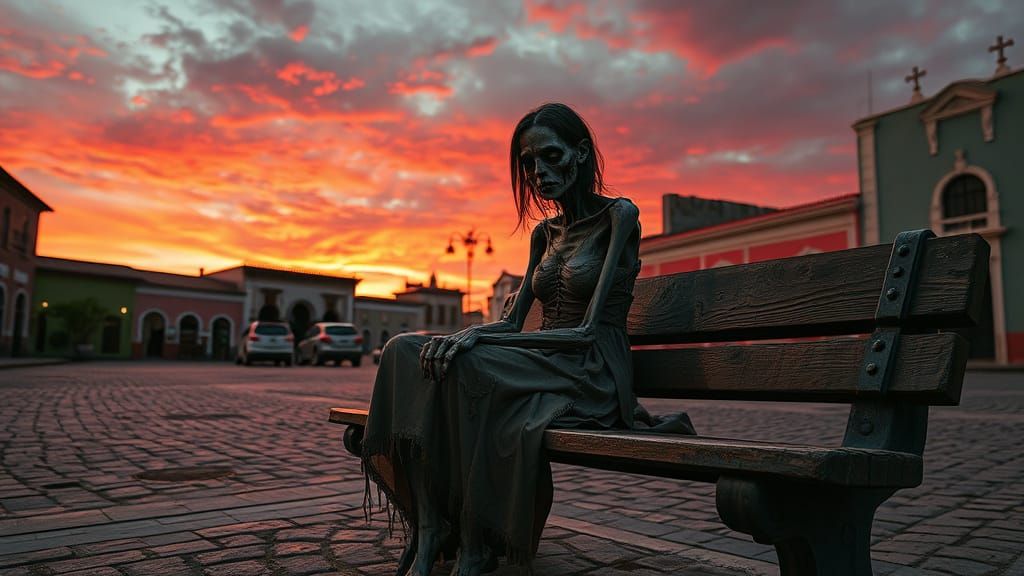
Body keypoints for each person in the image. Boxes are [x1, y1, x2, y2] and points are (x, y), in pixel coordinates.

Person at [362, 102, 647, 576]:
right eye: (528, 163)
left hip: (589, 368)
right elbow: (513, 323)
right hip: (542, 358)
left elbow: (586, 332)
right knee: (403, 350)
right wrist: (468, 333)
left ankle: (475, 539)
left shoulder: (620, 216)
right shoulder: (544, 234)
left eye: (551, 156)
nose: (538, 173)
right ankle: (430, 527)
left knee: (469, 367)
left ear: (580, 153)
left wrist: (479, 343)